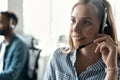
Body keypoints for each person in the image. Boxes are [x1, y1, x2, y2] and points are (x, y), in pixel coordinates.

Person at [43, 0, 120, 80]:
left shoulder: (116, 67)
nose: (75, 29)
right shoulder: (58, 57)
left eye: (86, 22)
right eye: (73, 20)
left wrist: (111, 70)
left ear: (103, 28)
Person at [0, 11, 29, 80]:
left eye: (1, 22)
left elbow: (13, 75)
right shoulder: (2, 45)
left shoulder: (20, 46)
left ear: (11, 24)